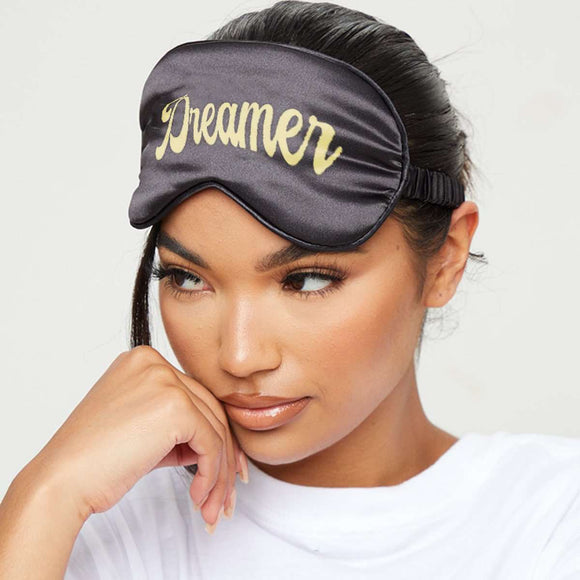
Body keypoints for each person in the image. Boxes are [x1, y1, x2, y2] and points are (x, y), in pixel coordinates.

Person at [1, 1, 579, 578]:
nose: (239, 356)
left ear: (445, 259)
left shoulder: (553, 521)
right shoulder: (91, 524)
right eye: (187, 278)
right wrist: (47, 494)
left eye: (305, 280)